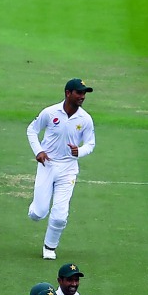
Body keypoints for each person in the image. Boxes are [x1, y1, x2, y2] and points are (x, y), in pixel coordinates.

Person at [26, 78, 96, 259]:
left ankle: (49, 247)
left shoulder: (85, 119)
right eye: (79, 93)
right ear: (68, 93)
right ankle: (35, 209)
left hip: (68, 169)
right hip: (47, 164)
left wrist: (78, 151)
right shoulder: (50, 112)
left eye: (84, 93)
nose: (82, 97)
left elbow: (90, 144)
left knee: (59, 215)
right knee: (39, 214)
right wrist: (39, 151)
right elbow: (32, 130)